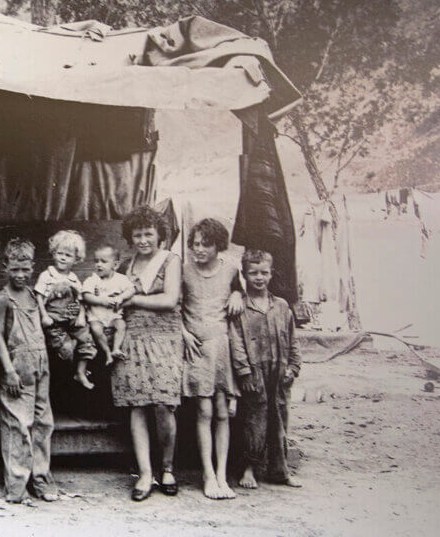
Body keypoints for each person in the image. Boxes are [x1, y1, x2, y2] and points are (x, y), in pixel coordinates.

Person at [112, 206, 184, 501]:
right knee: (137, 405)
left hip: (164, 338)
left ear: (159, 235)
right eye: (137, 234)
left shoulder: (170, 260)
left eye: (148, 234)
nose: (143, 240)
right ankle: (144, 473)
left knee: (164, 404)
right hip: (133, 338)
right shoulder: (126, 266)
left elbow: (170, 300)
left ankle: (167, 468)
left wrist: (134, 301)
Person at [181, 217, 245, 500]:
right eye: (195, 244)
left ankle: (222, 474)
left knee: (222, 412)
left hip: (221, 347)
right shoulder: (184, 271)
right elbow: (174, 306)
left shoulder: (230, 270)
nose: (199, 249)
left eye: (205, 244)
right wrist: (183, 332)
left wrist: (236, 294)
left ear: (218, 245)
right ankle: (207, 474)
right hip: (196, 347)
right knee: (203, 411)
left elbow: (240, 290)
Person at [0, 238, 59, 504]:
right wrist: (8, 370)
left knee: (43, 423)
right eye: (14, 269)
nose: (20, 275)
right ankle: (16, 484)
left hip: (41, 367)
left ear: (33, 266)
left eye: (25, 269)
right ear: (5, 266)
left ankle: (41, 480)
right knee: (18, 426)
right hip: (16, 370)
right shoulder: (3, 298)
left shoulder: (34, 295)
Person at [231, 249, 303, 489]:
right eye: (253, 273)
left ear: (272, 274)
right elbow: (236, 341)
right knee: (254, 421)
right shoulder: (240, 306)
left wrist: (293, 366)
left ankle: (279, 470)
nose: (259, 277)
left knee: (280, 419)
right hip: (255, 373)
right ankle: (249, 468)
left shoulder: (281, 306)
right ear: (244, 274)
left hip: (279, 374)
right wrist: (245, 372)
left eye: (264, 272)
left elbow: (292, 339)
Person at [35, 230, 98, 389]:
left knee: (88, 343)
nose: (62, 257)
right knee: (66, 350)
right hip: (54, 321)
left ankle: (81, 372)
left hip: (73, 320)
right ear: (54, 253)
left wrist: (81, 316)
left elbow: (80, 300)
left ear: (76, 259)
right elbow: (39, 296)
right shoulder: (47, 275)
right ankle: (72, 362)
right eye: (59, 253)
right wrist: (44, 316)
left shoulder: (74, 279)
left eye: (68, 255)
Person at [81, 245, 135, 366]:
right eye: (96, 261)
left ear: (115, 265)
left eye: (103, 261)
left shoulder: (121, 279)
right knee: (96, 329)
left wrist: (121, 297)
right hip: (97, 317)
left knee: (121, 325)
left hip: (114, 316)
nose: (98, 264)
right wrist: (102, 301)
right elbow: (86, 296)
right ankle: (107, 353)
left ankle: (116, 348)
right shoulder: (93, 280)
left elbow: (131, 290)